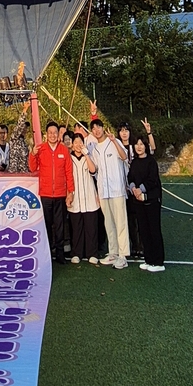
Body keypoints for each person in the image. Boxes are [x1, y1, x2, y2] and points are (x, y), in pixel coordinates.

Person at [86, 112, 130, 270]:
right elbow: (94, 170)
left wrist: (114, 141)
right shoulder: (94, 149)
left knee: (121, 222)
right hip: (103, 191)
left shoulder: (114, 141)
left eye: (99, 127)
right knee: (109, 223)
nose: (97, 130)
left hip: (117, 189)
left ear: (103, 128)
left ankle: (123, 255)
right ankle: (113, 253)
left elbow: (124, 156)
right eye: (94, 129)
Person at [29, 120, 74, 265]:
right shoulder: (40, 149)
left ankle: (60, 254)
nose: (53, 135)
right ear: (46, 135)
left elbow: (69, 172)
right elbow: (32, 168)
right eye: (50, 133)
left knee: (60, 225)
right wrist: (32, 154)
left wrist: (70, 191)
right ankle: (47, 253)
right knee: (46, 225)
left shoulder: (63, 150)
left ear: (58, 135)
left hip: (60, 194)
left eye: (55, 132)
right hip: (46, 194)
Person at [128, 120, 165, 272]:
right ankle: (149, 259)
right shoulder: (135, 162)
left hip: (151, 200)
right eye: (137, 144)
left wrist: (141, 189)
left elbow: (152, 180)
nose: (139, 147)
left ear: (146, 146)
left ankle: (158, 262)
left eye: (142, 144)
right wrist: (133, 189)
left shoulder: (151, 162)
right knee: (143, 230)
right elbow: (130, 177)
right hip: (139, 202)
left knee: (154, 230)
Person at [68, 132, 100, 264]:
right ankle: (77, 253)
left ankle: (92, 253)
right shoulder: (68, 159)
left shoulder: (89, 156)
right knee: (77, 227)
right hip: (75, 197)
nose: (78, 145)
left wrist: (86, 154)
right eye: (75, 142)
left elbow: (93, 171)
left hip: (89, 196)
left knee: (91, 227)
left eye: (80, 142)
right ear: (72, 144)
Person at [118, 121, 142, 261]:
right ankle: (134, 246)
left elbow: (151, 149)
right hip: (122, 189)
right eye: (121, 130)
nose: (124, 133)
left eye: (126, 130)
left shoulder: (135, 147)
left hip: (136, 188)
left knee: (140, 218)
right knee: (129, 220)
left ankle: (141, 245)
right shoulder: (115, 146)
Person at [8, 101, 31, 173]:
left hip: (24, 175)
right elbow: (20, 125)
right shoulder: (14, 138)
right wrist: (25, 110)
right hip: (14, 174)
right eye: (23, 128)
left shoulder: (25, 143)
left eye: (26, 128)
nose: (24, 130)